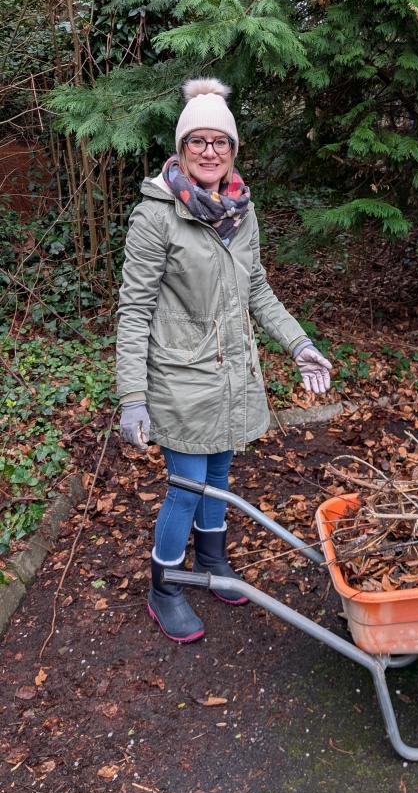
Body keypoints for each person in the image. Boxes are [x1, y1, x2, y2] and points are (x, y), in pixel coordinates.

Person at [116, 78, 332, 643]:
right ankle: (164, 587)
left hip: (233, 371)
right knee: (187, 486)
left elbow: (257, 288)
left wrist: (299, 343)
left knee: (219, 474)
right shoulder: (156, 216)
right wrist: (132, 398)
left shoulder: (241, 210)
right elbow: (134, 310)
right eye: (198, 142)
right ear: (181, 148)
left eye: (220, 142)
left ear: (233, 150)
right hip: (180, 377)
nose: (209, 151)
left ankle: (211, 563)